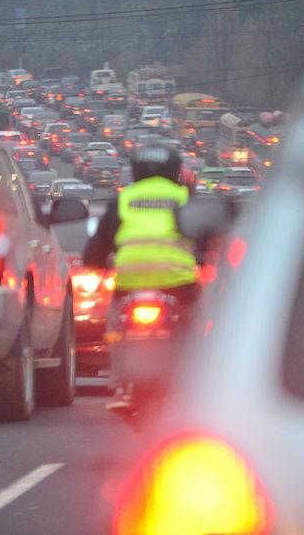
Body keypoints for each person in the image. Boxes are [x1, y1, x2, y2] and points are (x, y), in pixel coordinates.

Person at [82, 143, 199, 411]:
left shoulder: (123, 200)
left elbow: (97, 248)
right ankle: (193, 385)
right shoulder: (185, 199)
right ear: (173, 170)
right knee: (196, 332)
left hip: (129, 284)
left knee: (115, 330)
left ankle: (121, 384)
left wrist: (97, 263)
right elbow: (206, 238)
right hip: (179, 284)